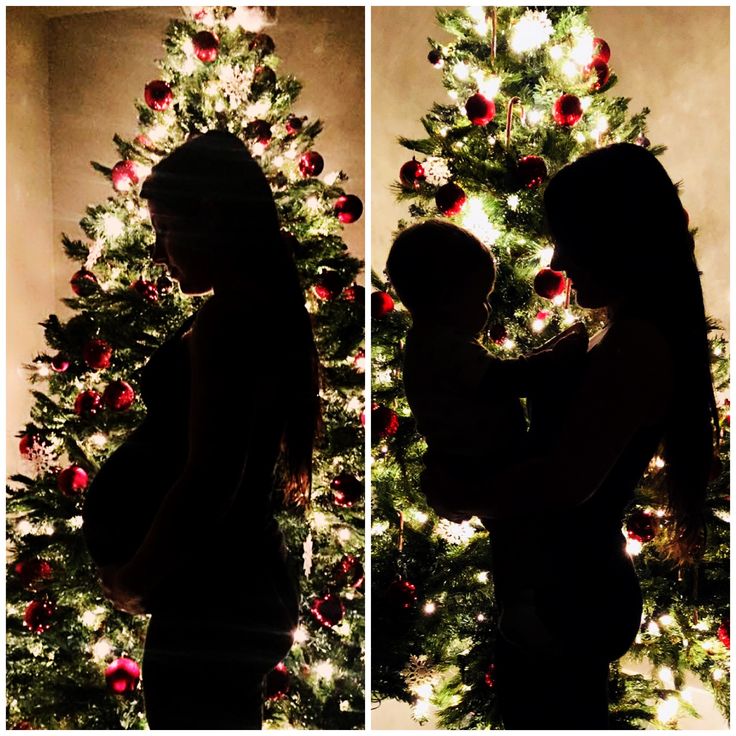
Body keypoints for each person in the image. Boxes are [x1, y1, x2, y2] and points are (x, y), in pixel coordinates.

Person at [423, 143, 719, 729]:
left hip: (573, 594)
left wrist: (462, 496)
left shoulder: (637, 344)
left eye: (568, 238)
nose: (557, 258)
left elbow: (564, 481)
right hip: (568, 585)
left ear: (614, 237)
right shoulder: (626, 335)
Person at [82, 130, 320, 729]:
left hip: (216, 597)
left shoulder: (230, 321)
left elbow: (212, 475)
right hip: (230, 591)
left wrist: (137, 579)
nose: (160, 252)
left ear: (211, 215)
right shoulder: (259, 308)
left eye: (165, 229)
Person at [386, 220, 587, 533]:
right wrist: (555, 360)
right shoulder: (443, 346)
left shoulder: (428, 342)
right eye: (481, 297)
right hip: (482, 462)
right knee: (520, 528)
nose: (487, 309)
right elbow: (499, 380)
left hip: (469, 461)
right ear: (445, 299)